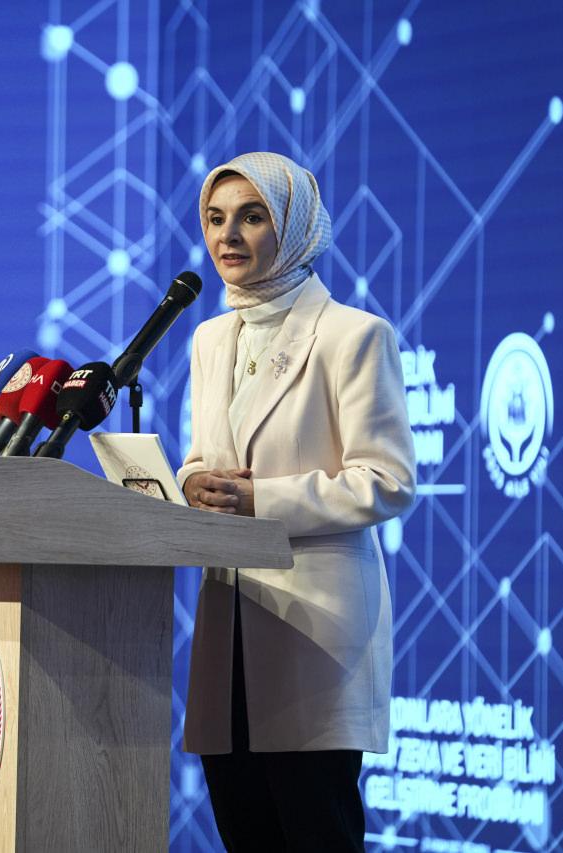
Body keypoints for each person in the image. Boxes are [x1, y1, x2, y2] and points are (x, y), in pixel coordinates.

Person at [178, 151, 416, 851]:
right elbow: (204, 457)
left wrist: (261, 500)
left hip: (316, 634)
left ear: (294, 226)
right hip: (228, 630)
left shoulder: (353, 336)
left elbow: (387, 479)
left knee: (317, 834)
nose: (227, 236)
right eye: (215, 218)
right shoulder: (209, 338)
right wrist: (190, 482)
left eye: (252, 217)